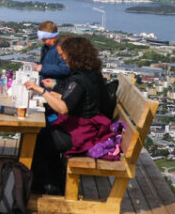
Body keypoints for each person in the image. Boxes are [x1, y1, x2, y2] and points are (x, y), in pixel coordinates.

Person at [24, 36, 114, 195]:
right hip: (93, 127)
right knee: (43, 135)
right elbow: (67, 98)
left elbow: (64, 107)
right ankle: (52, 181)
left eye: (63, 54)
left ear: (73, 55)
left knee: (39, 139)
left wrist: (42, 91)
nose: (61, 57)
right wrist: (51, 92)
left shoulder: (79, 80)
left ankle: (46, 185)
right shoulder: (92, 74)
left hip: (84, 134)